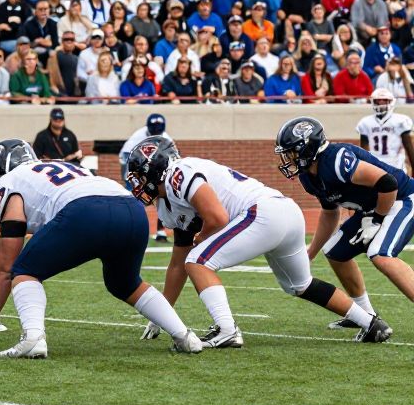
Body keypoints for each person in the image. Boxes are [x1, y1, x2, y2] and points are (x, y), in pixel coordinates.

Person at [128, 136, 390, 348]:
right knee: (301, 285)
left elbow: (217, 218)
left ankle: (227, 330)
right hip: (285, 212)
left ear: (155, 168)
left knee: (197, 261)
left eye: (140, 176)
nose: (138, 184)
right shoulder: (168, 204)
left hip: (263, 213)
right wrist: (163, 313)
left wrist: (201, 241)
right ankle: (370, 323)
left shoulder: (178, 173)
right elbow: (176, 265)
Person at [0, 140, 201, 358]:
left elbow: (5, 266)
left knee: (24, 270)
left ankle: (33, 338)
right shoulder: (58, 165)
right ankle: (184, 336)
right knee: (125, 283)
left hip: (86, 211)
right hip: (131, 209)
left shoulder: (8, 182)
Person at [275, 116, 414, 326]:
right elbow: (330, 213)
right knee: (334, 252)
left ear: (308, 148)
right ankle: (366, 315)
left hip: (402, 199)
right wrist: (309, 253)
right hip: (374, 208)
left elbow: (388, 183)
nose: (288, 158)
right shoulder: (308, 176)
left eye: (292, 152)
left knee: (380, 254)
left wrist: (376, 219)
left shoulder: (337, 159)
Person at [118, 113, 172, 241]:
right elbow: (125, 158)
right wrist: (131, 178)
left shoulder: (166, 139)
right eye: (154, 128)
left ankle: (161, 233)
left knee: (163, 198)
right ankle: (128, 233)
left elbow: (173, 158)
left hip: (155, 173)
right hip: (135, 171)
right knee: (134, 203)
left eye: (159, 128)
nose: (156, 131)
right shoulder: (138, 137)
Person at [356, 89, 414, 172]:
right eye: (378, 101)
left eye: (385, 100)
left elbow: (409, 146)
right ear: (373, 102)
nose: (381, 103)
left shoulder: (400, 121)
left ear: (392, 102)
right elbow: (364, 150)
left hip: (396, 167)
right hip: (375, 167)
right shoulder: (365, 122)